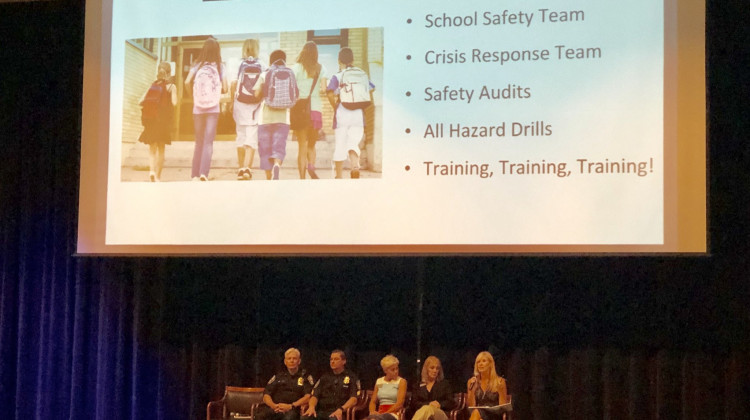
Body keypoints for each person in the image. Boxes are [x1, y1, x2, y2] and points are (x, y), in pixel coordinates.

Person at [326, 47, 375, 179]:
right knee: (353, 142)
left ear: (338, 61)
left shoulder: (337, 76)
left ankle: (339, 176)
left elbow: (330, 93)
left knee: (340, 144)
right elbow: (371, 89)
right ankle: (354, 166)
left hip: (342, 112)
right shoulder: (361, 73)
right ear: (353, 59)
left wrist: (335, 106)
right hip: (358, 114)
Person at [185, 37, 228, 181]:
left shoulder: (197, 65)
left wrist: (194, 96)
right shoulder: (220, 66)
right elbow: (226, 88)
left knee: (199, 141)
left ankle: (194, 175)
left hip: (198, 108)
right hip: (213, 109)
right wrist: (216, 91)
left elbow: (186, 82)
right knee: (208, 142)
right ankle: (204, 173)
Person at [254, 49, 295, 180]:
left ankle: (268, 177)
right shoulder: (290, 73)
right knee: (279, 146)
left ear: (271, 60)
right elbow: (295, 95)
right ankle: (277, 164)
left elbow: (256, 93)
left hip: (265, 118)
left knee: (265, 149)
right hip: (283, 118)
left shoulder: (265, 74)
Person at [290, 41, 327, 179]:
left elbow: (291, 88)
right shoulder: (321, 68)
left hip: (300, 110)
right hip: (315, 110)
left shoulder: (296, 68)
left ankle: (302, 177)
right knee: (311, 144)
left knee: (302, 146)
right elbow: (323, 89)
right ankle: (311, 165)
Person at [231, 39, 264, 180]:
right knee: (251, 138)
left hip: (240, 104)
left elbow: (233, 84)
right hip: (255, 107)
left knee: (241, 136)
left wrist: (232, 101)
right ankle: (247, 169)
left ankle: (240, 168)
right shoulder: (262, 64)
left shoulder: (238, 64)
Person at [138, 61, 176, 182]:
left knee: (152, 149)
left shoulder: (153, 85)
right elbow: (174, 103)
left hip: (151, 120)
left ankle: (151, 171)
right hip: (162, 121)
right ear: (169, 73)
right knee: (161, 149)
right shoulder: (171, 86)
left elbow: (140, 101)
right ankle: (158, 177)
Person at [256, 348, 314, 420]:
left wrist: (291, 406)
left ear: (299, 361)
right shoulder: (278, 376)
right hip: (276, 408)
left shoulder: (305, 376)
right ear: (285, 361)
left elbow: (308, 396)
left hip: (293, 409)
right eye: (289, 358)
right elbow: (266, 394)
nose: (292, 361)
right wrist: (274, 406)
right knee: (260, 416)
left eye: (294, 358)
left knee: (289, 418)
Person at [302, 350, 360, 420]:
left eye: (336, 359)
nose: (332, 361)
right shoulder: (325, 377)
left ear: (344, 361)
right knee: (305, 418)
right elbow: (315, 395)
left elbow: (354, 399)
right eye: (331, 359)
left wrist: (341, 409)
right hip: (321, 411)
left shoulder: (351, 377)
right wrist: (311, 407)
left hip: (339, 411)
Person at [466, 352, 509, 420]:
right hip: (478, 414)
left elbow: (503, 408)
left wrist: (501, 392)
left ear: (490, 364)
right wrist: (472, 391)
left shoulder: (500, 381)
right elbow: (471, 407)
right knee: (476, 412)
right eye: (478, 362)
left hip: (495, 415)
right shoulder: (472, 382)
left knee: (477, 412)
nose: (480, 364)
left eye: (484, 361)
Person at [365, 354, 407, 420]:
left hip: (393, 412)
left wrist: (385, 413)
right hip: (380, 412)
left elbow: (400, 403)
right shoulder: (379, 381)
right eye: (393, 370)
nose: (396, 371)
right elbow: (373, 401)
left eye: (397, 368)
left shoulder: (401, 381)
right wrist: (372, 412)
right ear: (385, 371)